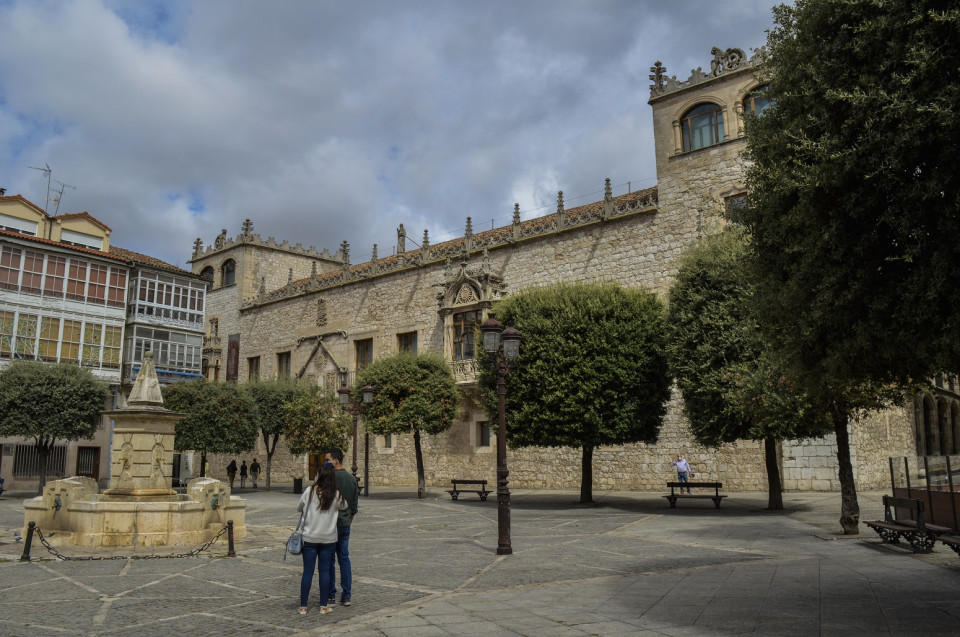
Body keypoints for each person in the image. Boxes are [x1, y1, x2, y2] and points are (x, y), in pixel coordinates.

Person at [296, 464, 346, 616]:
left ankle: (303, 606)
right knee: (325, 571)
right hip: (328, 538)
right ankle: (324, 605)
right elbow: (345, 506)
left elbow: (299, 507)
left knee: (308, 572)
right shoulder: (335, 494)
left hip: (310, 537)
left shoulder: (310, 491)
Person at [324, 447, 359, 607]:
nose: (325, 462)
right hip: (345, 524)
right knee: (344, 559)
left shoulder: (328, 478)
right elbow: (354, 505)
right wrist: (349, 518)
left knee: (330, 560)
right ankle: (347, 595)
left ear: (335, 461)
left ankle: (331, 595)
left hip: (330, 525)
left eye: (327, 459)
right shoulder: (351, 479)